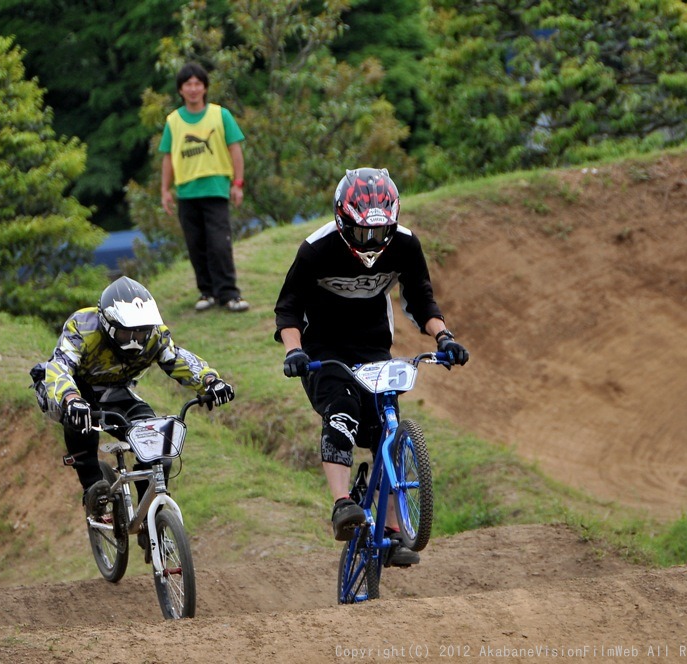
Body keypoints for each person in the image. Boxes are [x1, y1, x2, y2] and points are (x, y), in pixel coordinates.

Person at [274, 167, 470, 567]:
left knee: (387, 430)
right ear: (343, 221)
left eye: (380, 233)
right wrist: (294, 352)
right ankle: (342, 504)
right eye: (363, 233)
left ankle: (395, 530)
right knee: (342, 413)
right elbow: (289, 307)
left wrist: (444, 337)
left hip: (373, 347)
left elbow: (420, 298)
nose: (373, 242)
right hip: (322, 350)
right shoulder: (316, 249)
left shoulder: (405, 246)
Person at [31, 276, 236, 516]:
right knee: (79, 415)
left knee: (158, 444)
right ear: (108, 325)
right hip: (70, 389)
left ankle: (150, 519)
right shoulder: (83, 326)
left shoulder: (155, 334)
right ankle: (92, 484)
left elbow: (178, 358)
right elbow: (60, 366)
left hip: (115, 392)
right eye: (126, 335)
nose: (135, 343)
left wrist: (211, 382)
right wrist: (70, 399)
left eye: (141, 335)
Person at [159, 62, 250, 313]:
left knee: (219, 243)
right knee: (196, 245)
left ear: (205, 87)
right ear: (180, 89)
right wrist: (165, 190)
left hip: (216, 189)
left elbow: (235, 150)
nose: (193, 88)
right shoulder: (173, 121)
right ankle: (206, 292)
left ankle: (229, 294)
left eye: (198, 83)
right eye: (188, 84)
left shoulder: (221, 115)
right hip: (187, 192)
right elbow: (167, 156)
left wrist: (238, 183)